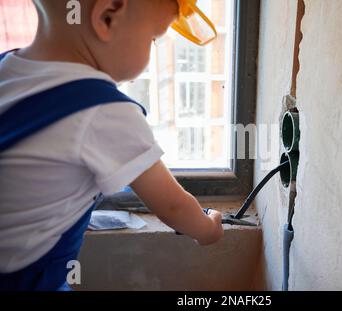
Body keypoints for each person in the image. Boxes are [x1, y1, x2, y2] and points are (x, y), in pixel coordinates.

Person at [0, 0, 223, 291]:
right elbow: (173, 205)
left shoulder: (7, 72)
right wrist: (208, 229)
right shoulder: (102, 110)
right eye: (154, 37)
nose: (152, 48)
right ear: (107, 17)